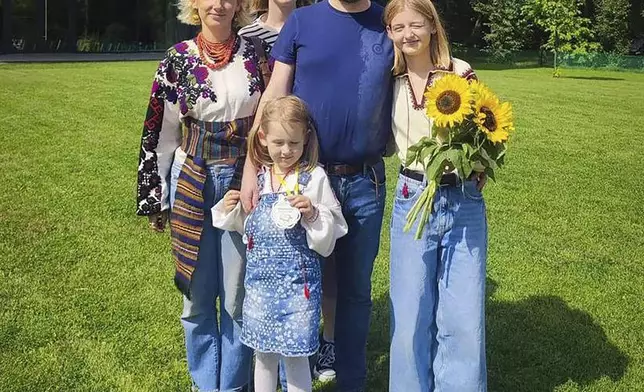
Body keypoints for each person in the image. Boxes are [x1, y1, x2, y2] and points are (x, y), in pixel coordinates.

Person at [239, 0, 394, 390]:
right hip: (306, 179)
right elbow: (274, 96)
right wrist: (250, 167)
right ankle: (295, 369)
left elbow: (424, 67)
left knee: (356, 288)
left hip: (364, 182)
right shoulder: (302, 22)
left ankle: (351, 380)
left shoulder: (387, 21)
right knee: (300, 279)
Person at [135, 0, 267, 390]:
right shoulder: (176, 61)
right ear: (195, 5)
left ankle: (233, 384)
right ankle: (204, 384)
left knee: (237, 294)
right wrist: (155, 196)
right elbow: (159, 132)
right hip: (192, 178)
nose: (219, 4)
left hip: (242, 180)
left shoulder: (259, 57)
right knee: (196, 292)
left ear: (240, 6)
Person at [384, 0, 488, 390]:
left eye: (416, 24)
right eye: (398, 27)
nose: (408, 34)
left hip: (462, 201)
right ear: (390, 33)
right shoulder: (388, 80)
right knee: (410, 311)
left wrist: (479, 164)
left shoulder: (460, 73)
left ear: (432, 26)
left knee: (463, 313)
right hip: (413, 197)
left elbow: (483, 129)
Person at [211, 95, 348, 392]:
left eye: (294, 144)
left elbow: (331, 230)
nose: (286, 151)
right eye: (278, 143)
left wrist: (312, 213)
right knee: (263, 356)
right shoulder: (258, 180)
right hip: (261, 290)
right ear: (263, 139)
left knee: (297, 357)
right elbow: (247, 229)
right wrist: (231, 206)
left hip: (299, 292)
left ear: (305, 140)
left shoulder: (313, 179)